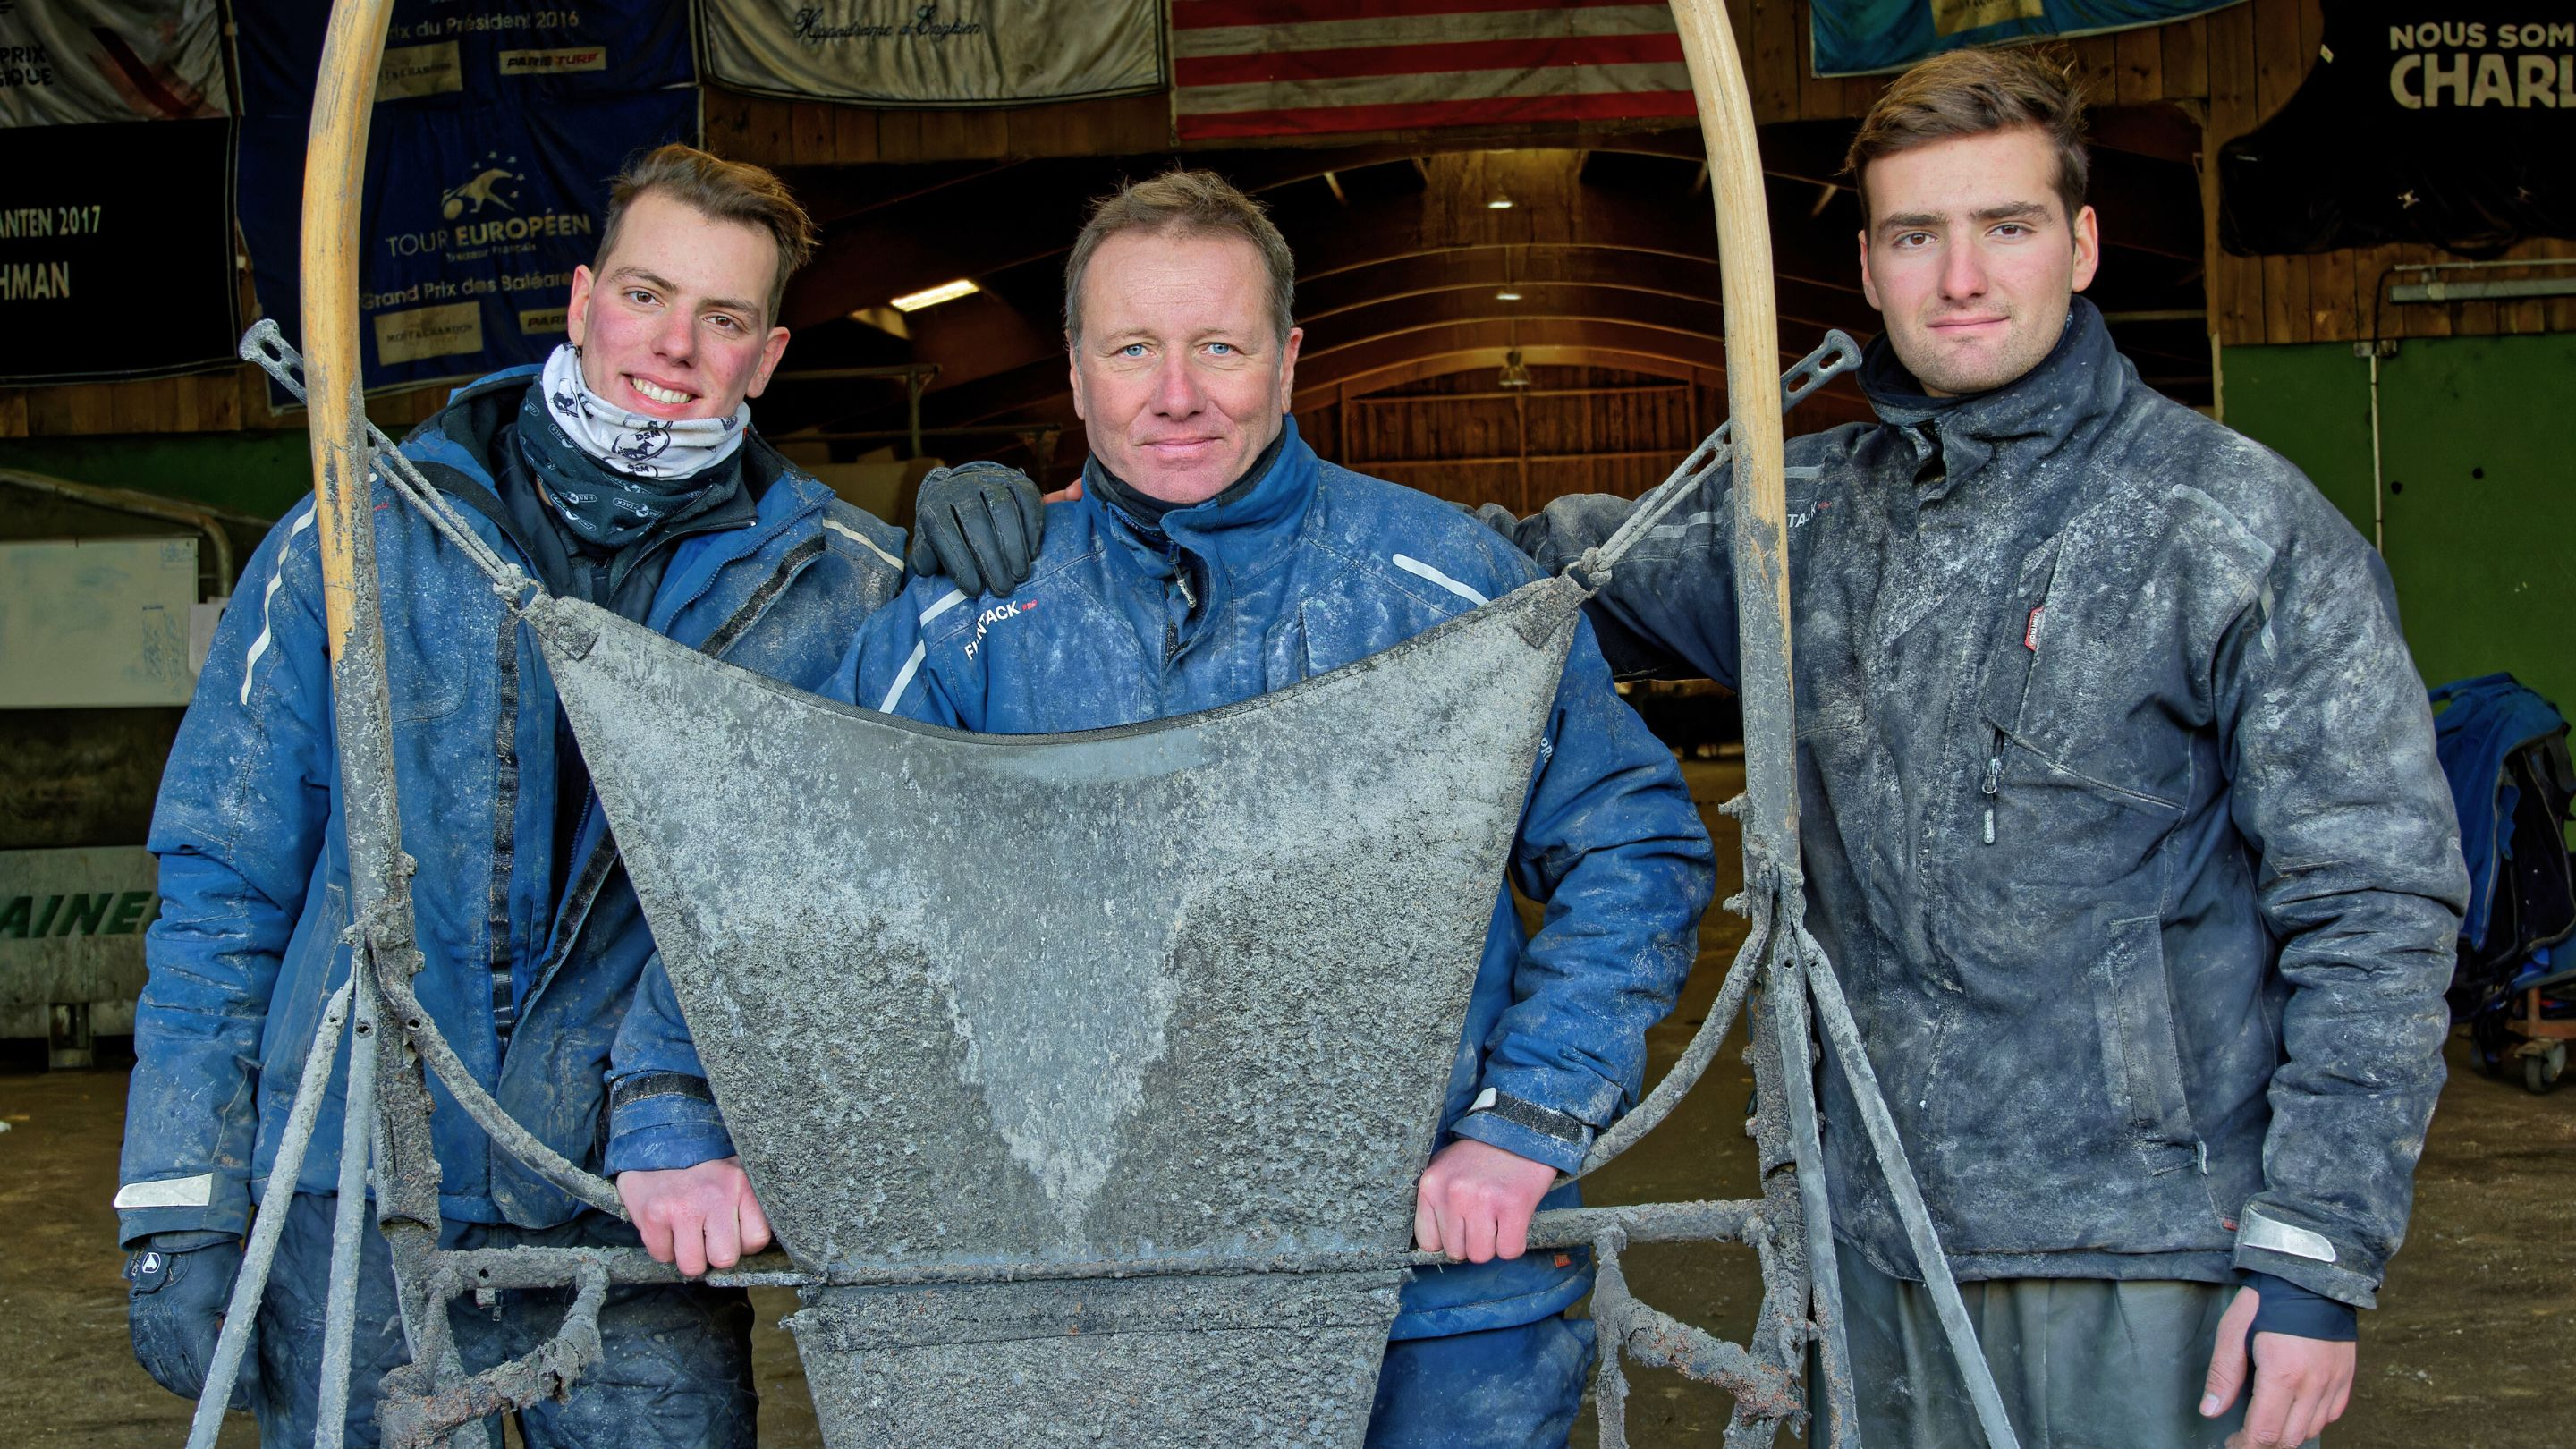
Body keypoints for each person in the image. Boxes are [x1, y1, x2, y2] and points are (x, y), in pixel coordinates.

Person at [606, 169, 1717, 1449]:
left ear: (1288, 361)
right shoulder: (974, 622)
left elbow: (1632, 841)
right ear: (1078, 371)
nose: (1176, 393)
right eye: (1133, 348)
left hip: (1431, 1295)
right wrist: (674, 1115)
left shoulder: (1446, 587)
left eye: (1219, 348)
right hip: (1081, 1295)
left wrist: (1525, 1118)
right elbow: (786, 867)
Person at [1495, 47, 2468, 1449]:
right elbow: (1518, 581)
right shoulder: (1805, 521)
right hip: (1874, 1238)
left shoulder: (2228, 526)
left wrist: (2316, 1249)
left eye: (2004, 228)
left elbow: (2376, 902)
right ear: (1872, 268)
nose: (1960, 276)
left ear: (2078, 246)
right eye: (1916, 236)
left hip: (2149, 1253)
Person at [114, 143, 1036, 1447]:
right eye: (648, 296)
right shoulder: (362, 530)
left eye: (724, 318)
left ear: (766, 359)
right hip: (357, 1186)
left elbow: (992, 805)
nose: (676, 345)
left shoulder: (841, 589)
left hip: (639, 1204)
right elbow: (225, 875)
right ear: (581, 300)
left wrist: (1008, 557)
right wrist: (179, 1199)